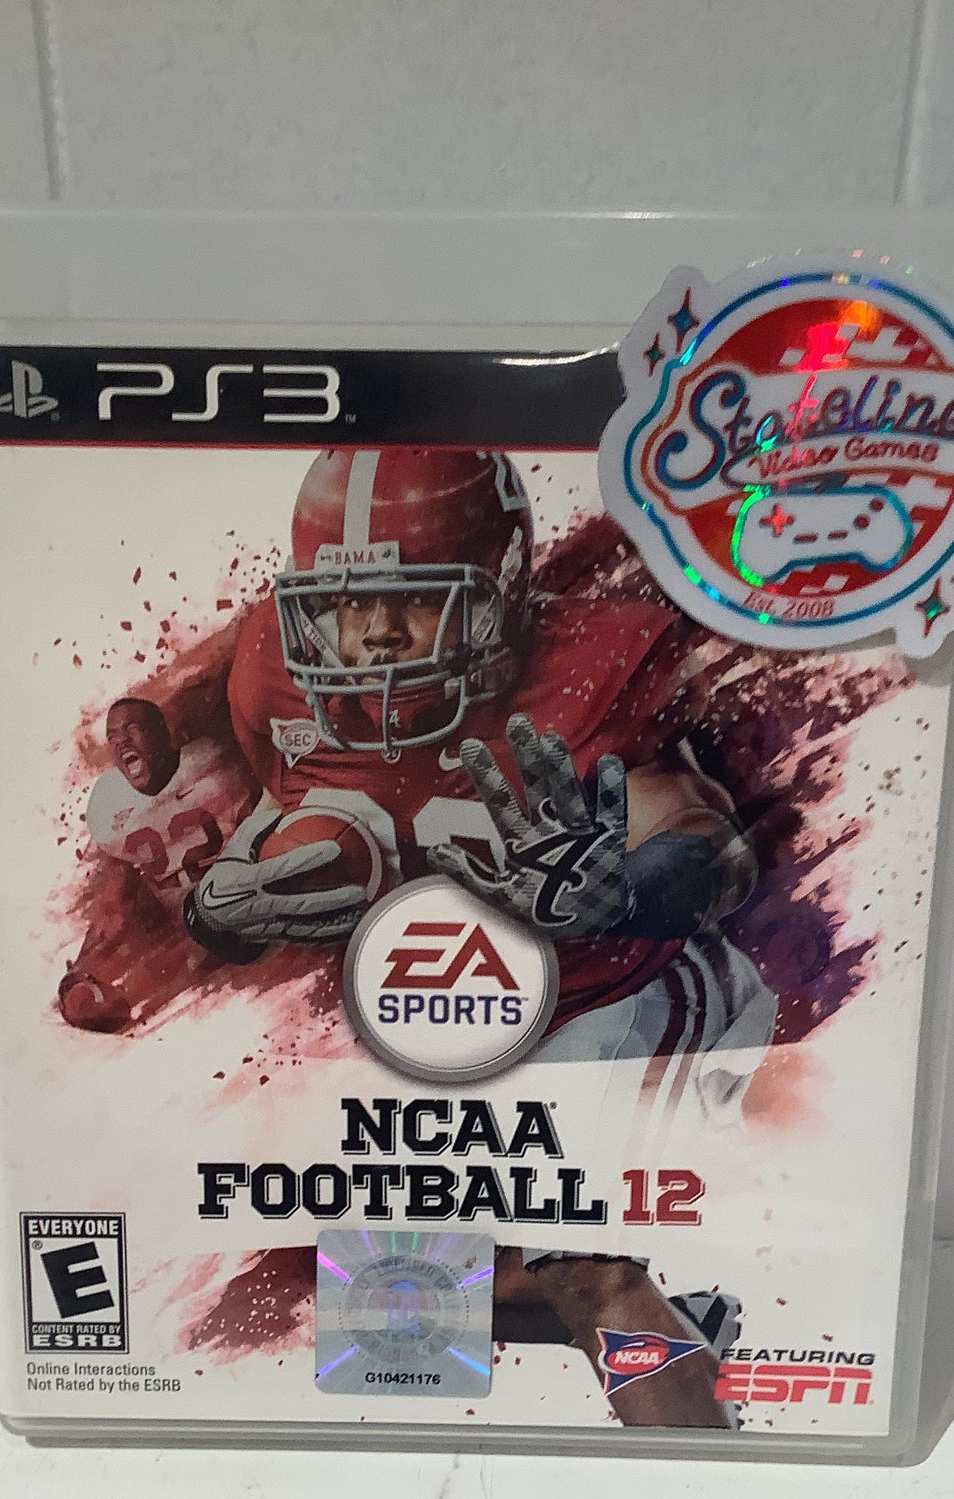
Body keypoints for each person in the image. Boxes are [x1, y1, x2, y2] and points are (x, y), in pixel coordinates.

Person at [186, 449, 776, 1424]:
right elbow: (280, 812)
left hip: (619, 990)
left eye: (414, 600)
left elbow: (704, 832)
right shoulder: (273, 670)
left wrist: (633, 889)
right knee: (380, 1286)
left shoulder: (589, 665)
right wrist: (224, 909)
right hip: (446, 1020)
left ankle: (706, 1484)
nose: (371, 635)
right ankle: (670, 1338)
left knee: (583, 1262)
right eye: (344, 604)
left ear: (500, 588)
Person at [58, 697, 256, 1030]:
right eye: (112, 736)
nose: (121, 741)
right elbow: (118, 898)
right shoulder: (108, 806)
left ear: (164, 733)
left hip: (251, 897)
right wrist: (82, 965)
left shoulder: (215, 761)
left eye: (131, 729)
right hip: (189, 928)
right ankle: (103, 999)